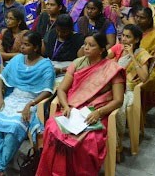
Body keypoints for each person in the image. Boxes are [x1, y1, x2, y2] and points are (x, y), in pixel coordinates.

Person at [36, 33, 126, 176]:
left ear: (102, 49)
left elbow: (118, 100)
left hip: (96, 112)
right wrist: (65, 106)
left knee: (88, 140)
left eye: (91, 45)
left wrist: (99, 113)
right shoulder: (77, 63)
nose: (86, 48)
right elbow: (62, 89)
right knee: (52, 127)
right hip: (73, 109)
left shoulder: (112, 69)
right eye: (85, 44)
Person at [0, 31, 54, 176]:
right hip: (12, 98)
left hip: (30, 100)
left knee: (14, 126)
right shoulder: (17, 59)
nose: (22, 47)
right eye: (22, 44)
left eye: (27, 45)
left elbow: (48, 90)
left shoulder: (46, 65)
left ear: (36, 47)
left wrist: (31, 104)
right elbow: (1, 78)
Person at [112, 24, 150, 156]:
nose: (124, 39)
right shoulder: (118, 48)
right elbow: (105, 59)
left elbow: (144, 78)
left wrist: (132, 56)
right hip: (113, 85)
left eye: (128, 37)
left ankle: (117, 144)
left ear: (137, 39)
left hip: (129, 90)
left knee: (117, 107)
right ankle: (110, 141)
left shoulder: (142, 54)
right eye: (123, 35)